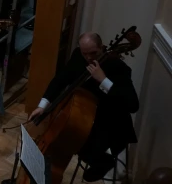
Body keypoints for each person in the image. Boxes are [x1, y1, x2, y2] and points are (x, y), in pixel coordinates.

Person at [28, 32, 139, 182]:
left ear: (101, 47)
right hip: (86, 116)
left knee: (77, 137)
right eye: (84, 53)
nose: (88, 58)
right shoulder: (78, 57)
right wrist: (42, 106)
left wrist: (103, 80)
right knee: (71, 133)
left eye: (93, 53)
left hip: (111, 121)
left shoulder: (117, 67)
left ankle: (102, 162)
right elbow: (60, 79)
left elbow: (133, 104)